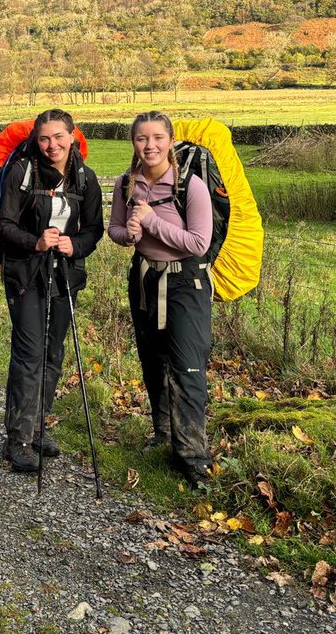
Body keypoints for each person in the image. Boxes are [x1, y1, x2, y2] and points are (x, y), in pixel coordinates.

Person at [0, 109, 103, 473]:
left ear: (72, 137)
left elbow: (94, 229)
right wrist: (35, 242)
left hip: (64, 274)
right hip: (25, 273)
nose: (52, 145)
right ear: (35, 141)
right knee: (29, 352)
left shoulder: (84, 178)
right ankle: (18, 439)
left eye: (59, 137)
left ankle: (38, 424)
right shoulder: (22, 172)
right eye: (44, 138)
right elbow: (2, 226)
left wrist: (75, 245)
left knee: (54, 351)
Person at [107, 110, 214, 488]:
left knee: (187, 366)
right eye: (141, 138)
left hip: (187, 283)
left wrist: (151, 221)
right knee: (153, 361)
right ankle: (164, 434)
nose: (149, 146)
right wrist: (130, 235)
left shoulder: (192, 186)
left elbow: (198, 244)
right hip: (144, 279)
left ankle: (193, 456)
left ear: (169, 141)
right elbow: (116, 231)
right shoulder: (126, 184)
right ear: (133, 142)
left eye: (156, 138)